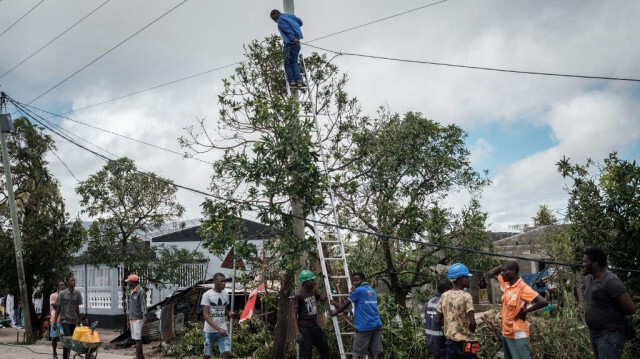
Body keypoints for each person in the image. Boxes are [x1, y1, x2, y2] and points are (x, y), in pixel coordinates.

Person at [583, 247, 636, 359]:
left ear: (595, 263)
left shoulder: (611, 281)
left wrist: (610, 314)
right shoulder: (588, 279)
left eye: (585, 261)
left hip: (610, 334)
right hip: (595, 333)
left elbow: (630, 309)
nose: (582, 264)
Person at [489, 260, 548, 359]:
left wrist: (525, 311)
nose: (502, 274)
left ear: (513, 271)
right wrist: (502, 266)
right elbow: (491, 273)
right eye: (502, 271)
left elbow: (543, 302)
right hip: (506, 332)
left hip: (517, 334)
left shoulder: (523, 288)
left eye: (505, 271)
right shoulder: (506, 283)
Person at [330, 272, 383, 359]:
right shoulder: (371, 291)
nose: (354, 283)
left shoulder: (358, 291)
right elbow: (349, 313)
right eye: (353, 281)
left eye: (356, 281)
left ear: (362, 280)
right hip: (376, 325)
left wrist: (335, 312)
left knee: (357, 352)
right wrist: (336, 303)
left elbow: (345, 305)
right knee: (375, 352)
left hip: (365, 326)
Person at [436, 263, 477, 359]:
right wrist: (469, 331)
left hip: (449, 342)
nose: (469, 280)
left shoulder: (444, 295)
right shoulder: (466, 296)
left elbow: (438, 320)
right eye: (467, 277)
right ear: (460, 278)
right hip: (465, 342)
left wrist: (451, 325)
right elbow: (473, 323)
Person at [293, 269, 329, 359]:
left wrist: (327, 284)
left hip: (315, 326)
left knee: (325, 349)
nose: (314, 282)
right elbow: (294, 315)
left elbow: (323, 299)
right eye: (311, 280)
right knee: (306, 354)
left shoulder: (312, 292)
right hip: (305, 328)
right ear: (305, 282)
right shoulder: (298, 295)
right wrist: (297, 333)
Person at [202, 273, 235, 359]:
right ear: (214, 281)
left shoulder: (226, 294)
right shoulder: (207, 295)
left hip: (223, 329)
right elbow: (206, 315)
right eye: (221, 281)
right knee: (207, 355)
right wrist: (218, 328)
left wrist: (228, 313)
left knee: (227, 354)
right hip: (209, 331)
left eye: (225, 281)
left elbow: (224, 308)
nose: (224, 283)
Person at [270, 9, 304, 87]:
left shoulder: (280, 20)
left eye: (273, 18)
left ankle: (292, 81)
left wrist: (293, 38)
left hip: (290, 43)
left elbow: (287, 30)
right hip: (297, 43)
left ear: (275, 15)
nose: (274, 21)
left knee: (287, 63)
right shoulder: (290, 16)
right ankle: (298, 80)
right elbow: (300, 22)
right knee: (294, 62)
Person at [54, 276, 82, 359]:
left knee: (71, 339)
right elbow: (58, 308)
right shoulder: (62, 294)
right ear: (67, 283)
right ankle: (65, 357)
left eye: (74, 280)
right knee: (68, 337)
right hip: (64, 319)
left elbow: (77, 307)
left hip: (74, 319)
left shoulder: (77, 293)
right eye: (71, 280)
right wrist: (55, 322)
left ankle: (67, 355)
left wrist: (79, 320)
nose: (74, 282)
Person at [426, 279, 453, 359]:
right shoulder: (444, 302)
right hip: (442, 341)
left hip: (431, 341)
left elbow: (426, 321)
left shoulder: (430, 302)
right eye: (451, 290)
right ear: (446, 291)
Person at [125, 274, 146, 359]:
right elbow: (130, 306)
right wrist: (128, 319)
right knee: (137, 339)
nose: (128, 283)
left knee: (137, 339)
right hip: (132, 317)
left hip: (138, 318)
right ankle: (141, 356)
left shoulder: (140, 291)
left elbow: (143, 304)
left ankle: (138, 357)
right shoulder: (131, 291)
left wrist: (144, 315)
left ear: (133, 282)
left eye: (129, 281)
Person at [50, 281, 66, 359]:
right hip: (55, 320)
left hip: (64, 320)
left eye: (64, 285)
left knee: (65, 337)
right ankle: (54, 353)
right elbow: (55, 307)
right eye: (61, 285)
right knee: (54, 337)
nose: (63, 286)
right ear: (58, 287)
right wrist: (60, 295)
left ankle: (65, 355)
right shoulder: (53, 295)